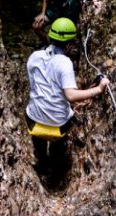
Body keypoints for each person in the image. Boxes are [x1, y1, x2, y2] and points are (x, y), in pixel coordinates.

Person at [26, 17, 110, 179]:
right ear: (70, 44)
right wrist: (99, 89)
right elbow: (71, 96)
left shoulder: (34, 57)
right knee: (59, 138)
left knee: (39, 137)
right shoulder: (64, 63)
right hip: (58, 126)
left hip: (34, 121)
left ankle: (42, 161)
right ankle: (57, 163)